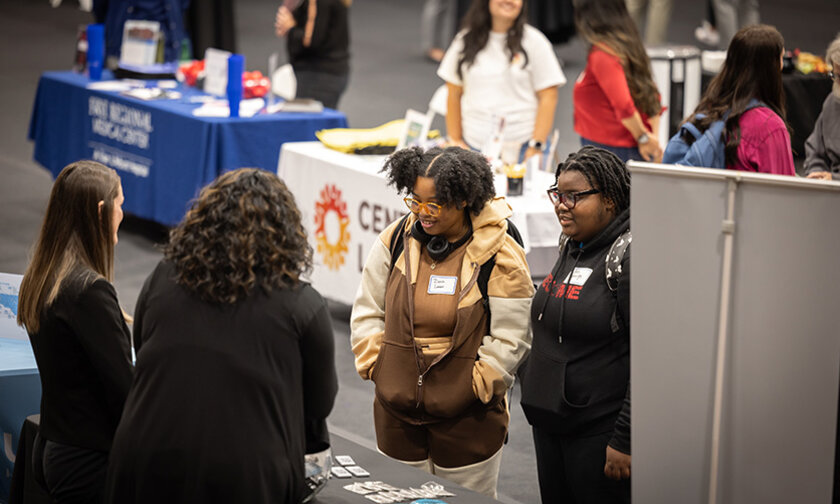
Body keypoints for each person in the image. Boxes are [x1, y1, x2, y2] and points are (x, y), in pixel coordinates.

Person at [105, 168, 338, 503]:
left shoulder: (162, 277)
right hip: (245, 473)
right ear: (285, 233)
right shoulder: (303, 305)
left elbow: (142, 351)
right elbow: (319, 403)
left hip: (146, 456)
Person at [350, 146, 534, 498]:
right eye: (415, 201)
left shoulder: (500, 251)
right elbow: (367, 311)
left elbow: (512, 336)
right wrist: (380, 367)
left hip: (468, 422)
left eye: (433, 204)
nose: (422, 214)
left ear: (463, 199)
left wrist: (476, 385)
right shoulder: (395, 240)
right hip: (396, 416)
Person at [17, 160, 133, 504]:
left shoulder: (44, 277)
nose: (122, 215)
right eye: (120, 205)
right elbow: (124, 391)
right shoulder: (89, 292)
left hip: (55, 446)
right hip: (88, 462)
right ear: (100, 210)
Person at [520, 145, 631, 504]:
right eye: (558, 194)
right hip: (550, 424)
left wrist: (625, 439)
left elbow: (651, 361)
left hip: (598, 434)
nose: (561, 205)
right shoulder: (571, 241)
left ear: (610, 199)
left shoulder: (630, 257)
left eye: (574, 196)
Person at [437, 0, 566, 164]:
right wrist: (455, 140)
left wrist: (536, 146)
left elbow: (549, 96)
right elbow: (453, 92)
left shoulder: (535, 41)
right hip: (472, 148)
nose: (510, 1)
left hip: (523, 149)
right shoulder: (465, 39)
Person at [678, 24, 795, 175]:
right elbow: (785, 192)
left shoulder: (708, 111)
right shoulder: (770, 126)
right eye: (781, 58)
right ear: (773, 68)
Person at [573, 0, 664, 163]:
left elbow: (623, 106)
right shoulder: (627, 45)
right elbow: (651, 93)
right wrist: (653, 139)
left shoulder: (603, 55)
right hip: (623, 149)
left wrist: (644, 138)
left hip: (610, 151)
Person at [275, 0, 351, 109]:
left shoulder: (318, 2)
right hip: (328, 73)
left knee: (311, 123)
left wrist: (290, 28)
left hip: (319, 76)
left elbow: (311, 41)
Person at [804, 35, 840, 181]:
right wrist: (816, 172)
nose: (838, 82)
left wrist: (835, 179)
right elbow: (815, 151)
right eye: (836, 75)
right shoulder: (833, 101)